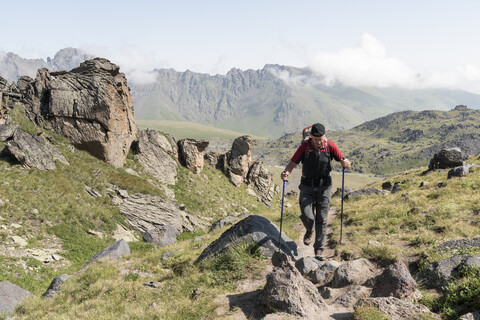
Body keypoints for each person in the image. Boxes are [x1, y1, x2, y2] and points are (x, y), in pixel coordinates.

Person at [281, 123, 351, 261]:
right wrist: (286, 172)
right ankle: (309, 230)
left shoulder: (330, 146)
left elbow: (343, 160)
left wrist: (346, 163)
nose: (319, 142)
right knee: (308, 216)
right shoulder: (304, 147)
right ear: (311, 137)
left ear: (324, 136)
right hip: (306, 186)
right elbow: (292, 163)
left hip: (324, 186)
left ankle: (319, 250)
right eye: (316, 140)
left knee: (322, 219)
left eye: (321, 139)